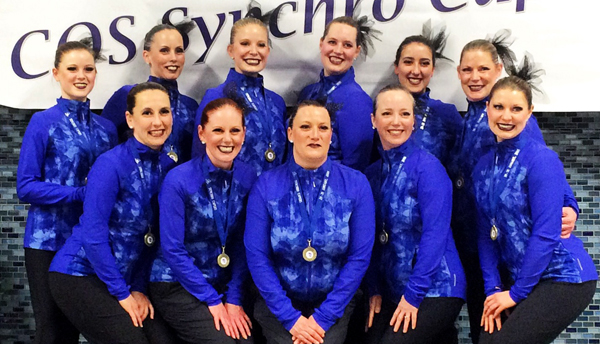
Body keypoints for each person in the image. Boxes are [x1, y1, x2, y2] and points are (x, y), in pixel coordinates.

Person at [450, 32, 580, 344]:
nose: (475, 77)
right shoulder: (468, 119)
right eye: (467, 70)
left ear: (497, 71)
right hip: (478, 248)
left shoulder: (512, 117)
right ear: (458, 74)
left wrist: (570, 205)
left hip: (508, 250)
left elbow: (545, 168)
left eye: (483, 69)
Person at [473, 63, 597, 343]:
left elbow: (545, 233)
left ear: (529, 114)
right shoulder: (482, 167)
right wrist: (493, 290)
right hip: (521, 281)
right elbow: (485, 235)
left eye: (516, 109)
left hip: (563, 277)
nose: (506, 116)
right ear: (488, 109)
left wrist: (515, 294)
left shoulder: (541, 159)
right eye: (499, 107)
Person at [48, 82, 177, 344]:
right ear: (130, 119)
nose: (157, 121)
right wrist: (123, 294)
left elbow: (153, 240)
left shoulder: (168, 167)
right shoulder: (110, 165)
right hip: (79, 274)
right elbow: (93, 235)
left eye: (164, 112)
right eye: (147, 113)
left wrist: (139, 288)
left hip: (126, 281)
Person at [245, 100, 375, 344]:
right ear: (291, 133)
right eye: (305, 127)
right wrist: (290, 318)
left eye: (323, 128)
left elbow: (359, 258)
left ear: (331, 135)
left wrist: (322, 319)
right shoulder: (266, 185)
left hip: (334, 303)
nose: (315, 135)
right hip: (278, 303)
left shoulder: (356, 184)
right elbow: (257, 257)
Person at [16, 38, 117, 344]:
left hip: (88, 241)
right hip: (46, 241)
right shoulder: (41, 122)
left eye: (88, 68)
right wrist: (76, 194)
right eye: (72, 68)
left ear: (96, 75)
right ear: (56, 73)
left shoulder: (107, 129)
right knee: (51, 330)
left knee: (76, 328)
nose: (81, 75)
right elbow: (26, 186)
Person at [148, 97, 256, 343]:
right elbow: (172, 250)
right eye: (218, 130)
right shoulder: (179, 180)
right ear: (202, 133)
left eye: (234, 131)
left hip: (222, 284)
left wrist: (234, 299)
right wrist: (212, 300)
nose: (227, 139)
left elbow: (243, 245)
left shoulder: (249, 177)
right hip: (175, 283)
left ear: (244, 134)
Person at [364, 85, 466, 344]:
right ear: (374, 121)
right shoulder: (372, 174)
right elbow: (372, 240)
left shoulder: (428, 168)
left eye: (405, 114)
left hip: (437, 288)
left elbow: (435, 236)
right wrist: (374, 288)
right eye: (387, 114)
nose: (396, 122)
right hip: (393, 290)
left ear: (414, 121)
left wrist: (413, 295)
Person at [192, 9, 286, 176]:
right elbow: (199, 159)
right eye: (245, 44)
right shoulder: (216, 97)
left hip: (272, 197)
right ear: (231, 50)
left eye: (261, 45)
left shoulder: (277, 102)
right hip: (233, 197)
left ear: (268, 51)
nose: (254, 51)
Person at [102, 21, 198, 163]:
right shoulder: (127, 95)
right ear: (146, 56)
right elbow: (103, 143)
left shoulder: (190, 106)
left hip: (179, 184)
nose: (173, 58)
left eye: (179, 51)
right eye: (164, 50)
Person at [297, 16, 377, 172]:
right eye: (332, 42)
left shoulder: (358, 101)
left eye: (347, 45)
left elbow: (355, 168)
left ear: (356, 51)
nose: (338, 51)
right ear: (322, 43)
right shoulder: (307, 93)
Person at [392, 22, 461, 167]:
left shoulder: (447, 114)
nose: (416, 71)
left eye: (424, 63)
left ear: (432, 70)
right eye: (408, 62)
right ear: (396, 67)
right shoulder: (381, 110)